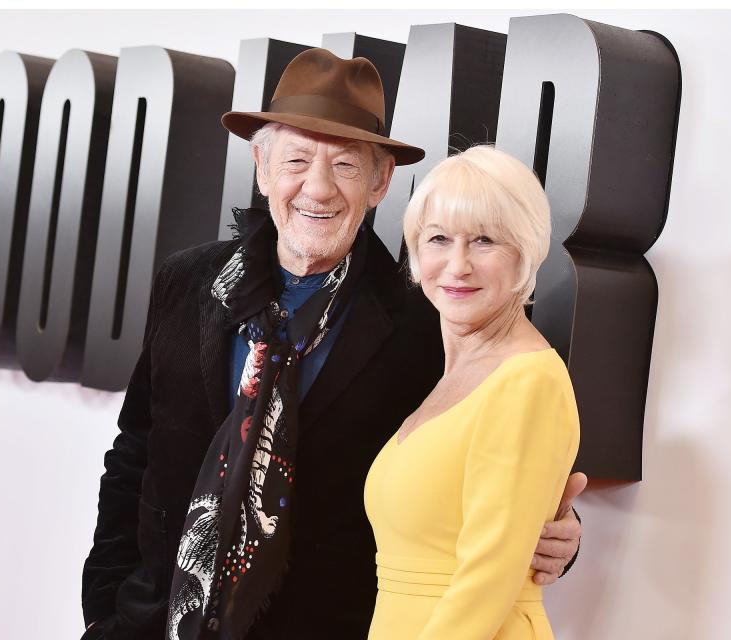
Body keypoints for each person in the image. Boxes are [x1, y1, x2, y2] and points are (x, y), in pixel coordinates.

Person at [81, 48, 584, 640]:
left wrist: (557, 532)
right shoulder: (186, 283)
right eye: (295, 160)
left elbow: (476, 481)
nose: (316, 189)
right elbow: (135, 451)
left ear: (380, 182)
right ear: (262, 168)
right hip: (155, 622)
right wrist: (109, 609)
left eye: (345, 165)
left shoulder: (427, 324)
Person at [364, 145, 579, 639]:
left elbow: (487, 582)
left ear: (525, 251)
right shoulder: (450, 376)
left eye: (484, 241)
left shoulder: (528, 382)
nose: (457, 265)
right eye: (439, 239)